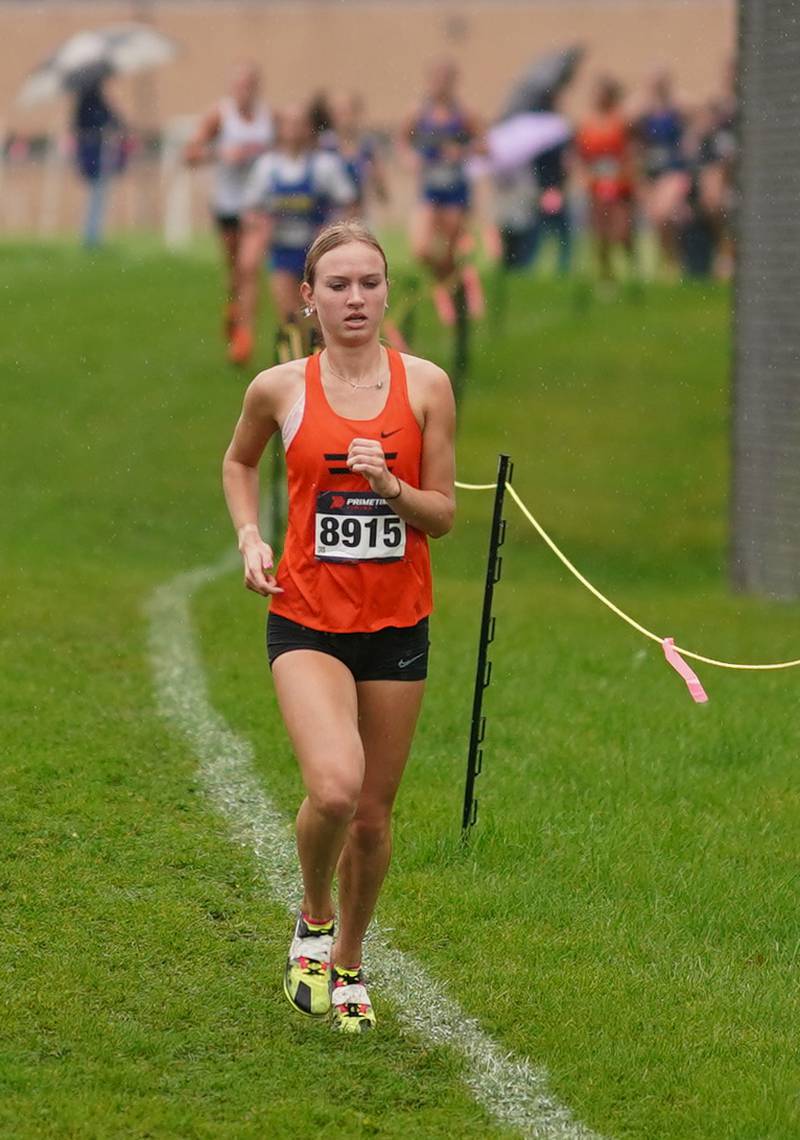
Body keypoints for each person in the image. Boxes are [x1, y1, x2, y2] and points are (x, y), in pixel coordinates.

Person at [221, 220, 456, 1032]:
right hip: (307, 619)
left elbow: (444, 515)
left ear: (389, 292)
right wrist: (251, 535)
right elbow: (238, 461)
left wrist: (391, 485)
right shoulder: (279, 388)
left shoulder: (426, 386)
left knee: (374, 816)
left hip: (397, 627)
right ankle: (313, 918)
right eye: (338, 286)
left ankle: (351, 962)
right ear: (308, 300)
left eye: (368, 283)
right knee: (334, 787)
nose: (354, 298)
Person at [231, 105, 357, 366]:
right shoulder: (267, 167)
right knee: (289, 316)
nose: (293, 130)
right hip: (282, 250)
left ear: (309, 128)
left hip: (317, 254)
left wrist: (332, 228)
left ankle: (330, 366)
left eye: (299, 123)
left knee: (319, 318)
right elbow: (249, 210)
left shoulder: (325, 165)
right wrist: (260, 223)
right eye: (288, 124)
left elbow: (348, 203)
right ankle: (298, 371)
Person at [184, 62, 273, 347]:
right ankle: (233, 310)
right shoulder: (220, 116)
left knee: (249, 267)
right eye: (239, 86)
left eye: (249, 85)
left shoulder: (268, 117)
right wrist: (220, 153)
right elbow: (190, 155)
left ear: (257, 87)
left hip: (258, 206)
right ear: (231, 88)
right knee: (235, 270)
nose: (244, 91)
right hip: (227, 205)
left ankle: (244, 337)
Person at [399, 58, 486, 325]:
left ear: (453, 82)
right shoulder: (418, 112)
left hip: (456, 192)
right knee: (421, 249)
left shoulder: (465, 114)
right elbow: (402, 142)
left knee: (448, 253)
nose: (440, 85)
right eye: (435, 79)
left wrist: (463, 151)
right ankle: (446, 288)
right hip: (429, 191)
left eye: (445, 79)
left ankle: (456, 290)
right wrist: (410, 157)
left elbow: (485, 146)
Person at [576, 76, 636, 283]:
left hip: (620, 184)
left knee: (622, 231)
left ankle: (633, 270)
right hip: (596, 184)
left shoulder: (621, 120)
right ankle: (606, 276)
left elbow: (630, 152)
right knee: (600, 233)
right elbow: (581, 155)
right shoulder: (587, 124)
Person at [634, 69, 691, 276]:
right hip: (651, 172)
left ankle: (672, 260)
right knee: (655, 220)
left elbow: (693, 111)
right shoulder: (645, 112)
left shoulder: (676, 108)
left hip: (673, 170)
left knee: (663, 214)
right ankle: (666, 261)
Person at [72, 78, 128, 248]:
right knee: (97, 196)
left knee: (98, 196)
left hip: (97, 156)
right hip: (96, 157)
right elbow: (105, 122)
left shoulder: (90, 102)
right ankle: (91, 237)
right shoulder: (90, 102)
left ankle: (93, 235)